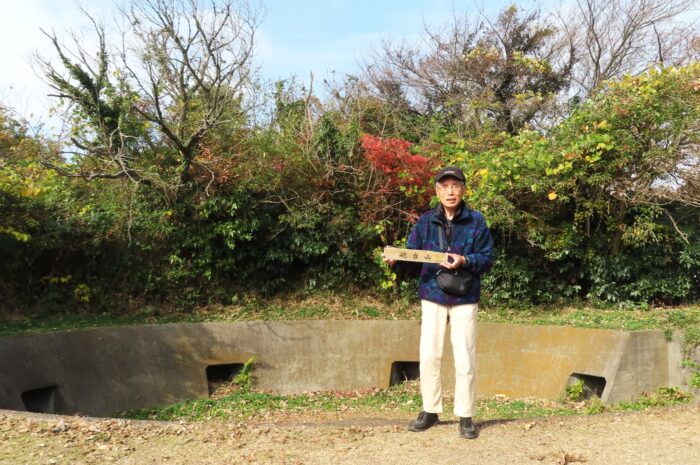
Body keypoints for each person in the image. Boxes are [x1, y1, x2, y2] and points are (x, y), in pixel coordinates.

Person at [382, 166, 494, 439]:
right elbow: (413, 256)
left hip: (465, 295)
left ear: (463, 190)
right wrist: (397, 260)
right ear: (437, 191)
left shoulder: (476, 221)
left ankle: (465, 415)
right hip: (432, 294)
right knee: (429, 354)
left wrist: (465, 260)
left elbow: (487, 258)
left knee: (465, 356)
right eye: (445, 187)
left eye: (455, 186)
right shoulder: (425, 222)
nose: (450, 192)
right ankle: (430, 410)